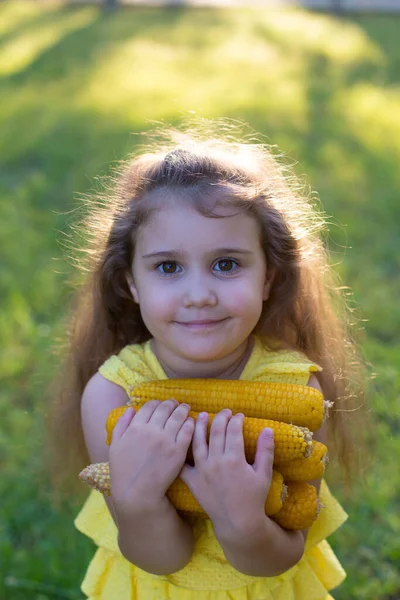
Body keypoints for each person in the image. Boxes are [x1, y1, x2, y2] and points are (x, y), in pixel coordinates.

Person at [48, 121, 370, 600]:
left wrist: (242, 520)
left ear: (269, 278)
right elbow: (160, 558)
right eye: (168, 267)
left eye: (226, 264)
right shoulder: (112, 395)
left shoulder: (297, 391)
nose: (199, 295)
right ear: (132, 284)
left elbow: (284, 553)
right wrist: (137, 501)